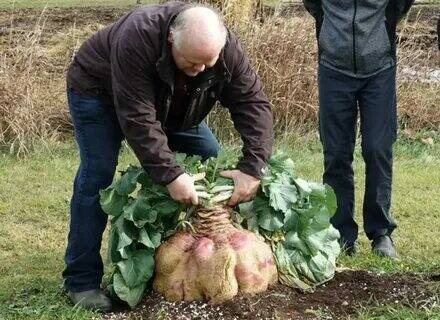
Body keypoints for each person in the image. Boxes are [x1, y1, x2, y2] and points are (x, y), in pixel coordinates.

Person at [64, 2, 273, 312]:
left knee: (209, 161)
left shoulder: (224, 49)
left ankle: (180, 261)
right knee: (98, 176)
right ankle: (81, 281)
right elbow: (137, 117)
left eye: (207, 64)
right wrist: (171, 174)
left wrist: (253, 166)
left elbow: (252, 102)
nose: (200, 70)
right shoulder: (137, 37)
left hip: (172, 104)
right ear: (171, 39)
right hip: (99, 94)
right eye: (191, 62)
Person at [302, 0, 414, 258]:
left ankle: (381, 233)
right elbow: (313, 4)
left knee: (378, 149)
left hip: (379, 69)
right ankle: (340, 233)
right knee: (336, 153)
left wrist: (388, 21)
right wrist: (329, 27)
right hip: (332, 68)